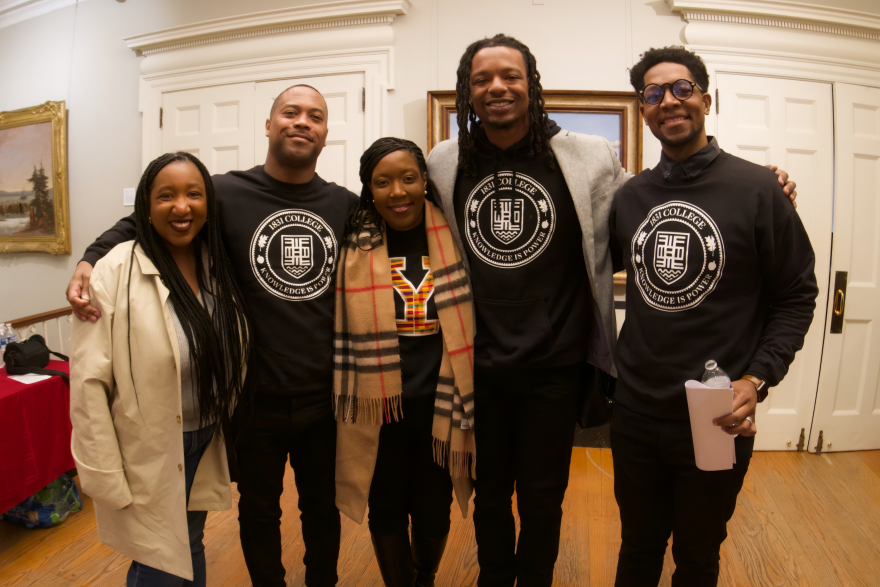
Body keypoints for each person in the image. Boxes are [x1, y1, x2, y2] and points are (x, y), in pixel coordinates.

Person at [425, 34, 798, 587]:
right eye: (482, 79)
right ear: (468, 91)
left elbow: (666, 203)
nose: (497, 87)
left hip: (557, 364)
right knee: (489, 494)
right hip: (476, 365)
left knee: (545, 497)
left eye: (510, 75)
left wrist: (763, 186)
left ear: (532, 84)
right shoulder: (444, 161)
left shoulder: (589, 157)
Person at [67, 85, 358, 587]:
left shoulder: (346, 205)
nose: (302, 122)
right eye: (290, 113)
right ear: (268, 126)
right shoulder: (221, 191)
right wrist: (89, 259)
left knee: (321, 508)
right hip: (251, 397)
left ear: (326, 134)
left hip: (324, 396)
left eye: (315, 116)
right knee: (259, 511)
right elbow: (144, 219)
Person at [608, 46, 819, 586]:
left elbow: (795, 295)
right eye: (653, 94)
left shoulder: (758, 189)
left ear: (705, 97)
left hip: (716, 413)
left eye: (681, 88)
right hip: (635, 411)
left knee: (698, 555)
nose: (669, 102)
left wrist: (757, 377)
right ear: (642, 109)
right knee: (636, 549)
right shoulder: (630, 198)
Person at [69, 152, 252, 587]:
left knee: (184, 545)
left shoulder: (216, 264)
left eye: (193, 194)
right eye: (165, 196)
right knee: (161, 558)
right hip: (147, 447)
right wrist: (102, 470)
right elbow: (88, 382)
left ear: (209, 203)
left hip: (203, 435)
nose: (181, 206)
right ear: (145, 209)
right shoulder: (114, 270)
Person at [333, 137, 476, 587]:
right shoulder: (351, 241)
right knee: (388, 506)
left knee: (433, 511)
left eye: (408, 178)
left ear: (425, 181)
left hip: (441, 403)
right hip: (380, 405)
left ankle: (425, 578)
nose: (398, 192)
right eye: (383, 182)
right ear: (369, 189)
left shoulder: (454, 233)